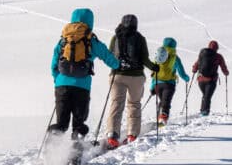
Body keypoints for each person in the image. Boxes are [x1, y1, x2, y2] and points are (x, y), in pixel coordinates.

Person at [49, 8, 119, 143]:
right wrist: (117, 65)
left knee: (61, 123)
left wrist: (58, 80)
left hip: (61, 85)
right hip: (82, 87)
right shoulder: (91, 39)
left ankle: (52, 152)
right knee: (78, 124)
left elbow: (54, 65)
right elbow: (108, 58)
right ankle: (75, 154)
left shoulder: (64, 39)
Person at [105, 14, 159, 148]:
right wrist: (154, 67)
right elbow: (145, 59)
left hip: (117, 75)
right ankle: (132, 135)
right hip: (136, 76)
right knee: (134, 104)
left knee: (116, 104)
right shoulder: (140, 38)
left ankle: (112, 135)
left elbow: (110, 56)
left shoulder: (115, 37)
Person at [150, 37, 190, 126]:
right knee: (166, 101)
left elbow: (154, 73)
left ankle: (160, 117)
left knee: (163, 101)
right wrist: (186, 78)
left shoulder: (159, 54)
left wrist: (152, 86)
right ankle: (163, 118)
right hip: (169, 84)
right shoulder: (175, 58)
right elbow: (181, 72)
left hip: (158, 84)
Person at [192, 40, 229, 116]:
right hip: (211, 80)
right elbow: (223, 67)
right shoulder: (218, 56)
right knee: (207, 96)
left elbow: (197, 64)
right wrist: (226, 73)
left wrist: (194, 70)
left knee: (206, 95)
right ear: (217, 48)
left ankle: (203, 110)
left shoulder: (203, 54)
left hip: (201, 79)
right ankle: (205, 112)